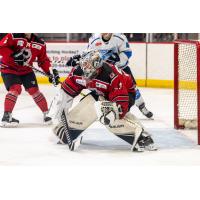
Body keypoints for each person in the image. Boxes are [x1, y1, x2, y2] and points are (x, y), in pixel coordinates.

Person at [52, 50, 156, 152]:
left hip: (126, 94)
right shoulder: (78, 71)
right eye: (85, 65)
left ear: (97, 67)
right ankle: (68, 130)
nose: (86, 69)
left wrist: (113, 113)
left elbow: (121, 102)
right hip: (102, 94)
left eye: (89, 66)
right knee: (91, 103)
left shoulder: (111, 75)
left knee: (106, 115)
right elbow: (67, 90)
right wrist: (61, 103)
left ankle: (141, 136)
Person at [66, 33, 153, 119]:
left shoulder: (120, 38)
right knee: (104, 90)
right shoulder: (94, 39)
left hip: (121, 68)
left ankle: (142, 107)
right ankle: (107, 108)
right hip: (103, 70)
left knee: (132, 89)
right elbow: (88, 55)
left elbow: (128, 52)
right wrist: (78, 60)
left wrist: (118, 61)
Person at [0, 33, 60, 127]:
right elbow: (1, 47)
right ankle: (6, 117)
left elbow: (43, 60)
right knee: (15, 89)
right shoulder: (13, 36)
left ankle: (47, 114)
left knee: (34, 90)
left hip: (26, 70)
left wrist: (51, 73)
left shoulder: (40, 43)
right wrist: (13, 54)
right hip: (9, 68)